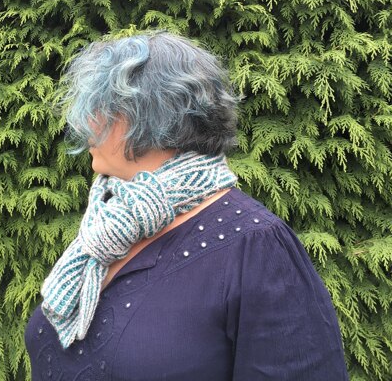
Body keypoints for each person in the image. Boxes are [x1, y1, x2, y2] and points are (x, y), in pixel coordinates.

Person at [25, 31, 349, 380]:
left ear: (149, 116)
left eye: (101, 109)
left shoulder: (256, 247)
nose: (86, 124)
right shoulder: (111, 223)